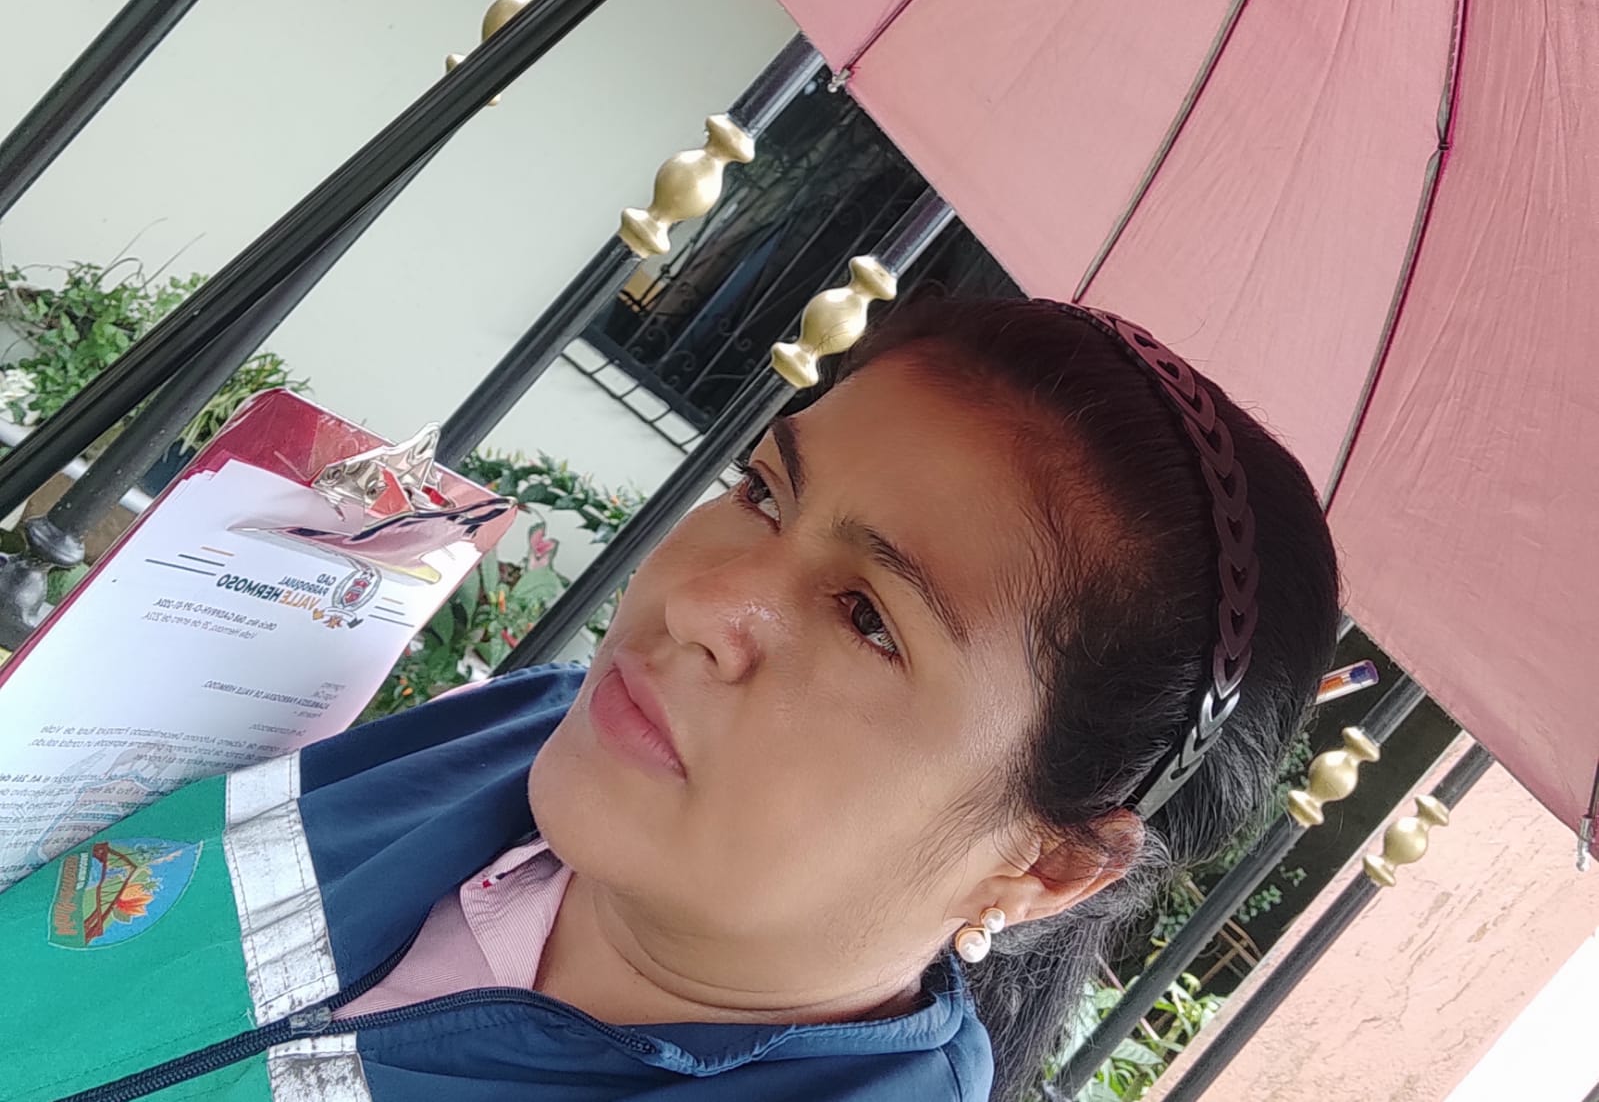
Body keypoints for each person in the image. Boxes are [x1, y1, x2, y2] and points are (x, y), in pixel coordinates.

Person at [4, 297, 1339, 1102]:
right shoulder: (525, 738)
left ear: (1045, 865)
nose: (703, 600)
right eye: (764, 491)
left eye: (869, 618)